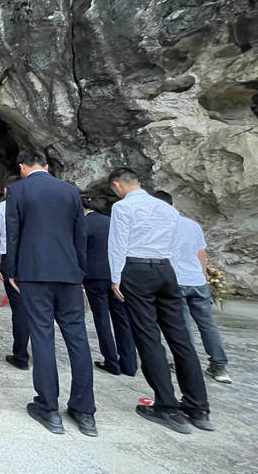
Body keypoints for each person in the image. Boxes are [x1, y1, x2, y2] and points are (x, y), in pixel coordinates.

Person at [108, 168, 212, 434]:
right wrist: (171, 273)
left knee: (148, 336)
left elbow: (118, 244)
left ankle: (166, 405)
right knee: (180, 337)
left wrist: (116, 278)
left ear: (118, 185)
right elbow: (175, 246)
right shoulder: (168, 209)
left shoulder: (122, 208)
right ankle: (198, 407)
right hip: (166, 270)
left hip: (136, 268)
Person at [6, 150, 97, 437]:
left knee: (42, 336)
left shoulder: (18, 190)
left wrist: (12, 271)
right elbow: (80, 234)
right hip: (69, 273)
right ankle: (85, 412)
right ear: (46, 166)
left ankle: (48, 408)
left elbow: (13, 233)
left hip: (34, 273)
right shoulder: (70, 191)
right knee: (78, 339)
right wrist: (80, 270)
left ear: (22, 167)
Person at [153, 190, 231, 384]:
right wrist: (203, 278)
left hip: (175, 281)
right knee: (207, 323)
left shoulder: (158, 226)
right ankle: (219, 366)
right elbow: (201, 254)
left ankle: (185, 363)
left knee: (181, 325)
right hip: (197, 281)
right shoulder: (192, 225)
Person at [81, 196, 137, 377]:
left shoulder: (84, 223)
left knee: (102, 319)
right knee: (122, 319)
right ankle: (129, 364)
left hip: (94, 277)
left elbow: (79, 251)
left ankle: (111, 361)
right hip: (117, 276)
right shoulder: (112, 222)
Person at [0, 175, 30, 370]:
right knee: (40, 309)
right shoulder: (34, 206)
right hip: (36, 260)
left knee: (20, 309)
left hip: (11, 259)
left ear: (6, 190)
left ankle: (21, 356)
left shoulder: (0, 208)